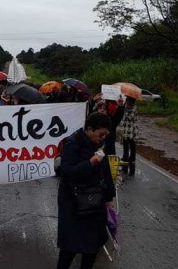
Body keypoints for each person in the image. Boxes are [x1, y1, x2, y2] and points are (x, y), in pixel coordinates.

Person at [56, 112, 116, 269]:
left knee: (92, 247)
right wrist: (90, 163)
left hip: (95, 204)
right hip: (73, 204)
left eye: (106, 135)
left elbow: (106, 171)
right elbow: (66, 172)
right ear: (89, 129)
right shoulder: (72, 143)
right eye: (100, 134)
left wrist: (110, 198)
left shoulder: (101, 145)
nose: (103, 138)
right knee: (70, 247)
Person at [118, 96, 138, 175]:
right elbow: (122, 120)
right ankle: (124, 168)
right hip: (125, 132)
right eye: (127, 100)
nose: (127, 102)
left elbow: (130, 117)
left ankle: (132, 170)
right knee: (125, 150)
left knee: (133, 151)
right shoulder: (126, 107)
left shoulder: (134, 108)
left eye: (128, 100)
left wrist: (124, 110)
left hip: (131, 132)